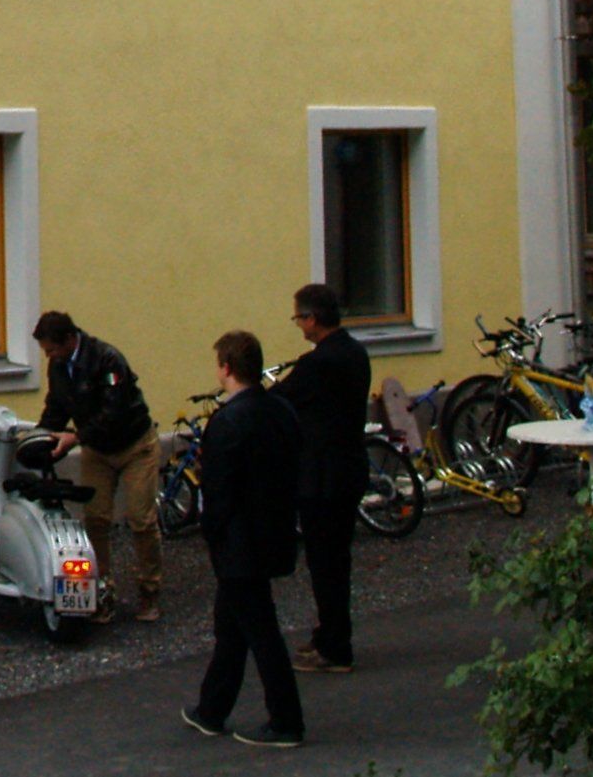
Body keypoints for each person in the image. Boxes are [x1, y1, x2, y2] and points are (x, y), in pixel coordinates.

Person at [185, 330, 307, 749]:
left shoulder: (227, 421)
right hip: (273, 531)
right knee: (232, 626)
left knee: (259, 631)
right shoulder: (281, 410)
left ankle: (286, 720)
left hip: (239, 542)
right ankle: (211, 709)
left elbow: (218, 491)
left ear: (226, 368)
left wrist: (212, 533)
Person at [33, 308, 162, 621]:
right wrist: (40, 438)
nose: (49, 356)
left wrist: (76, 438)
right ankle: (103, 591)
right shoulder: (58, 366)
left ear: (69, 339)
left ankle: (149, 590)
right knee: (96, 519)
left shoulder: (107, 360)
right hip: (97, 449)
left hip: (135, 445)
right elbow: (56, 406)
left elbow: (114, 411)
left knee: (141, 519)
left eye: (52, 349)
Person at [273, 281, 370, 673]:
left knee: (325, 564)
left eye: (299, 318)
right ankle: (329, 633)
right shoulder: (355, 352)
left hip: (323, 477)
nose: (298, 325)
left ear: (312, 318)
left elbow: (281, 399)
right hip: (349, 467)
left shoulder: (317, 364)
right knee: (336, 560)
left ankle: (335, 646)